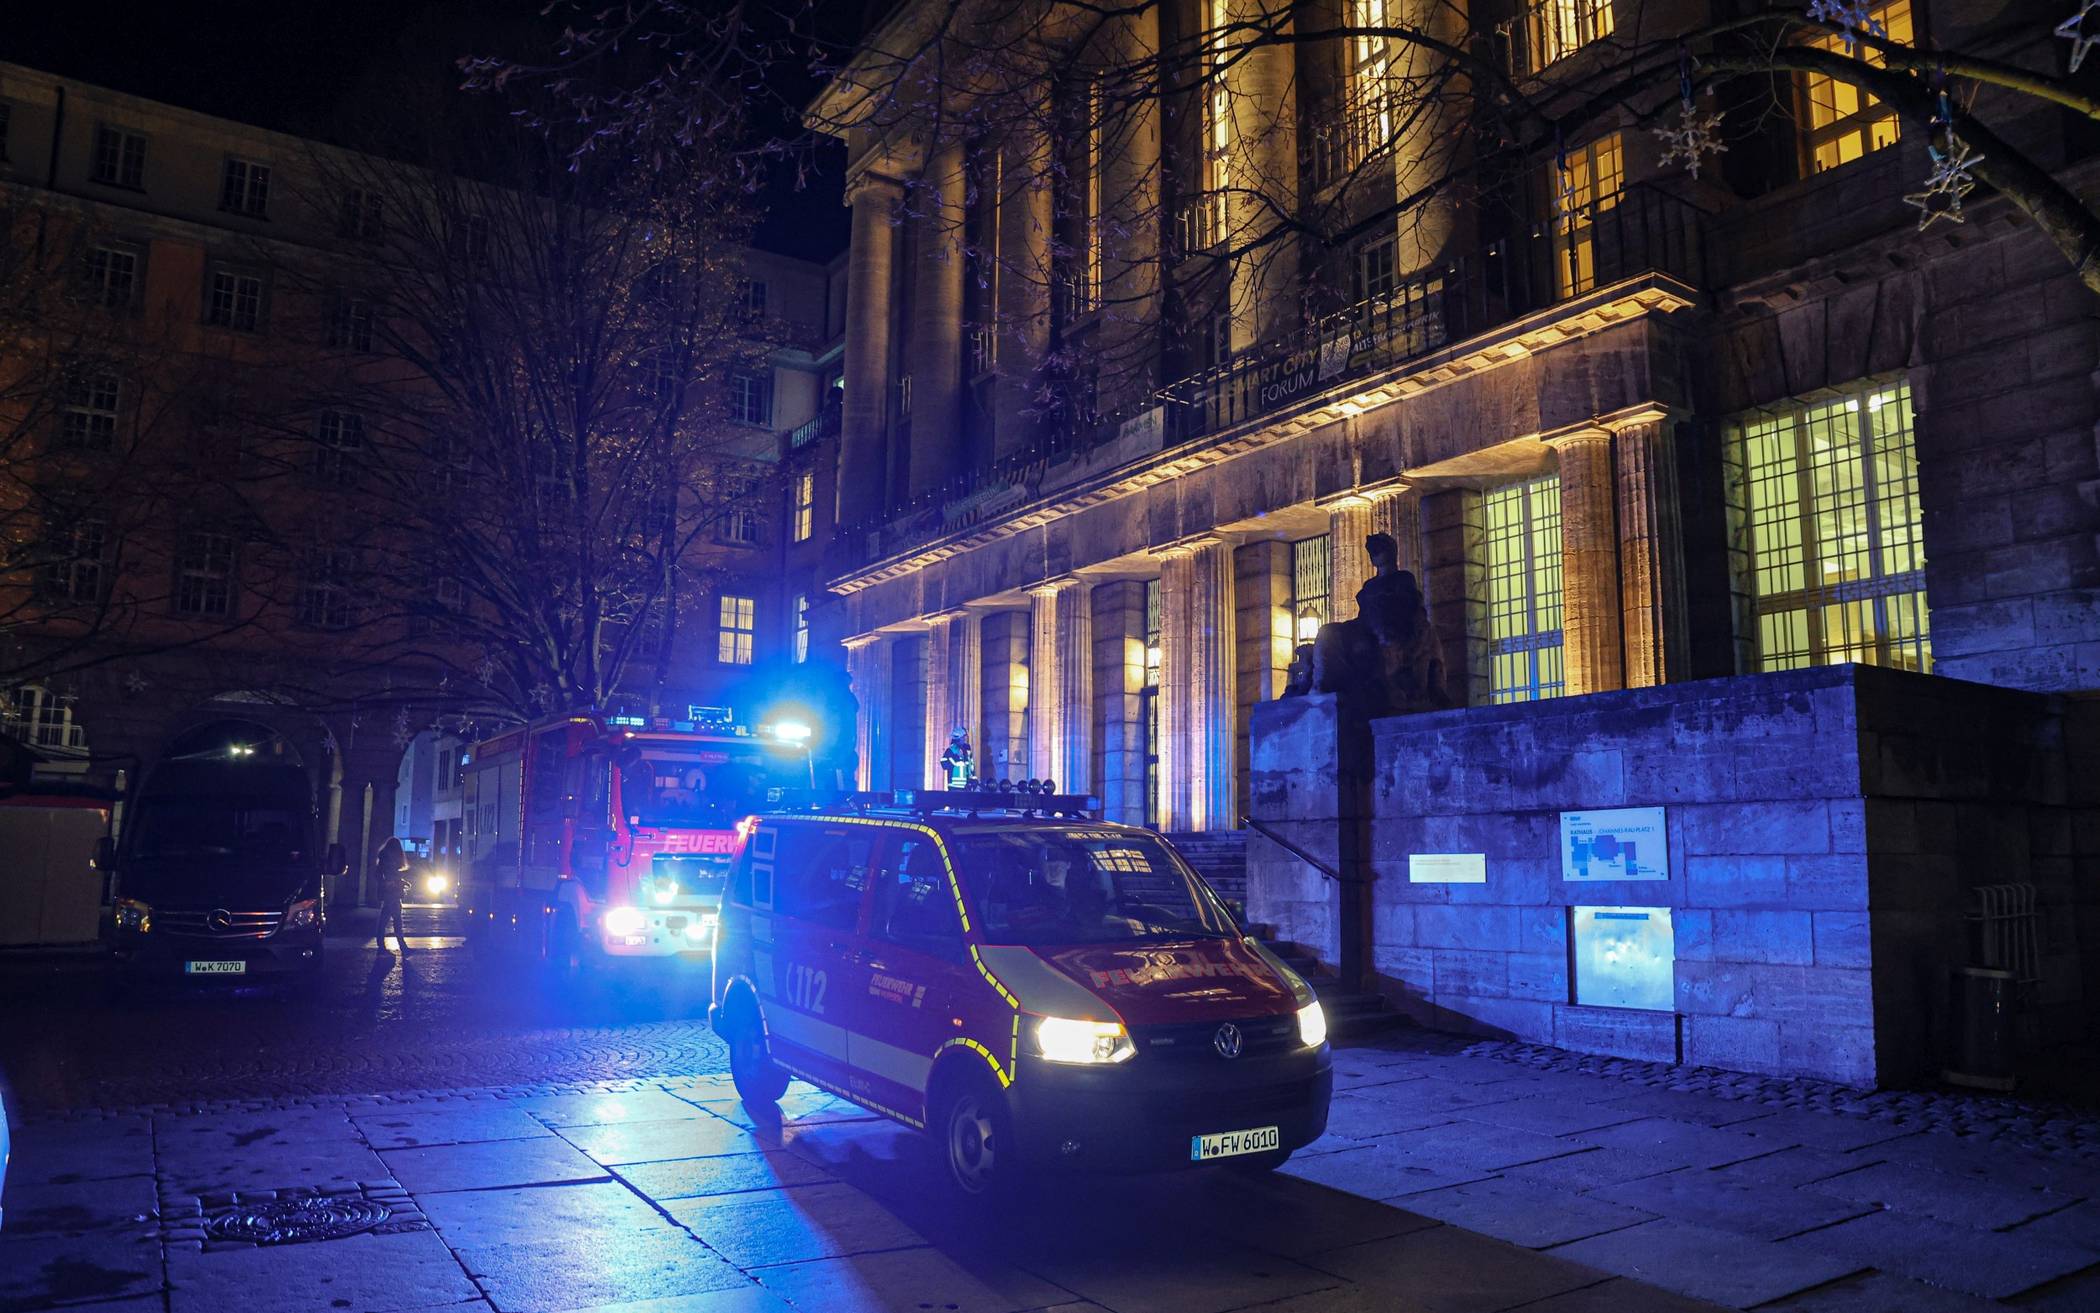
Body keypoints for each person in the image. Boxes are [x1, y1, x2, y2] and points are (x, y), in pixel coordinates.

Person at [373, 835, 411, 955]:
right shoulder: (391, 861)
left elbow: (383, 875)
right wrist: (399, 882)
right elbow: (392, 877)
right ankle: (402, 947)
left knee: (387, 919)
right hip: (392, 893)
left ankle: (382, 944)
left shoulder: (384, 858)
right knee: (396, 920)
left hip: (389, 893)